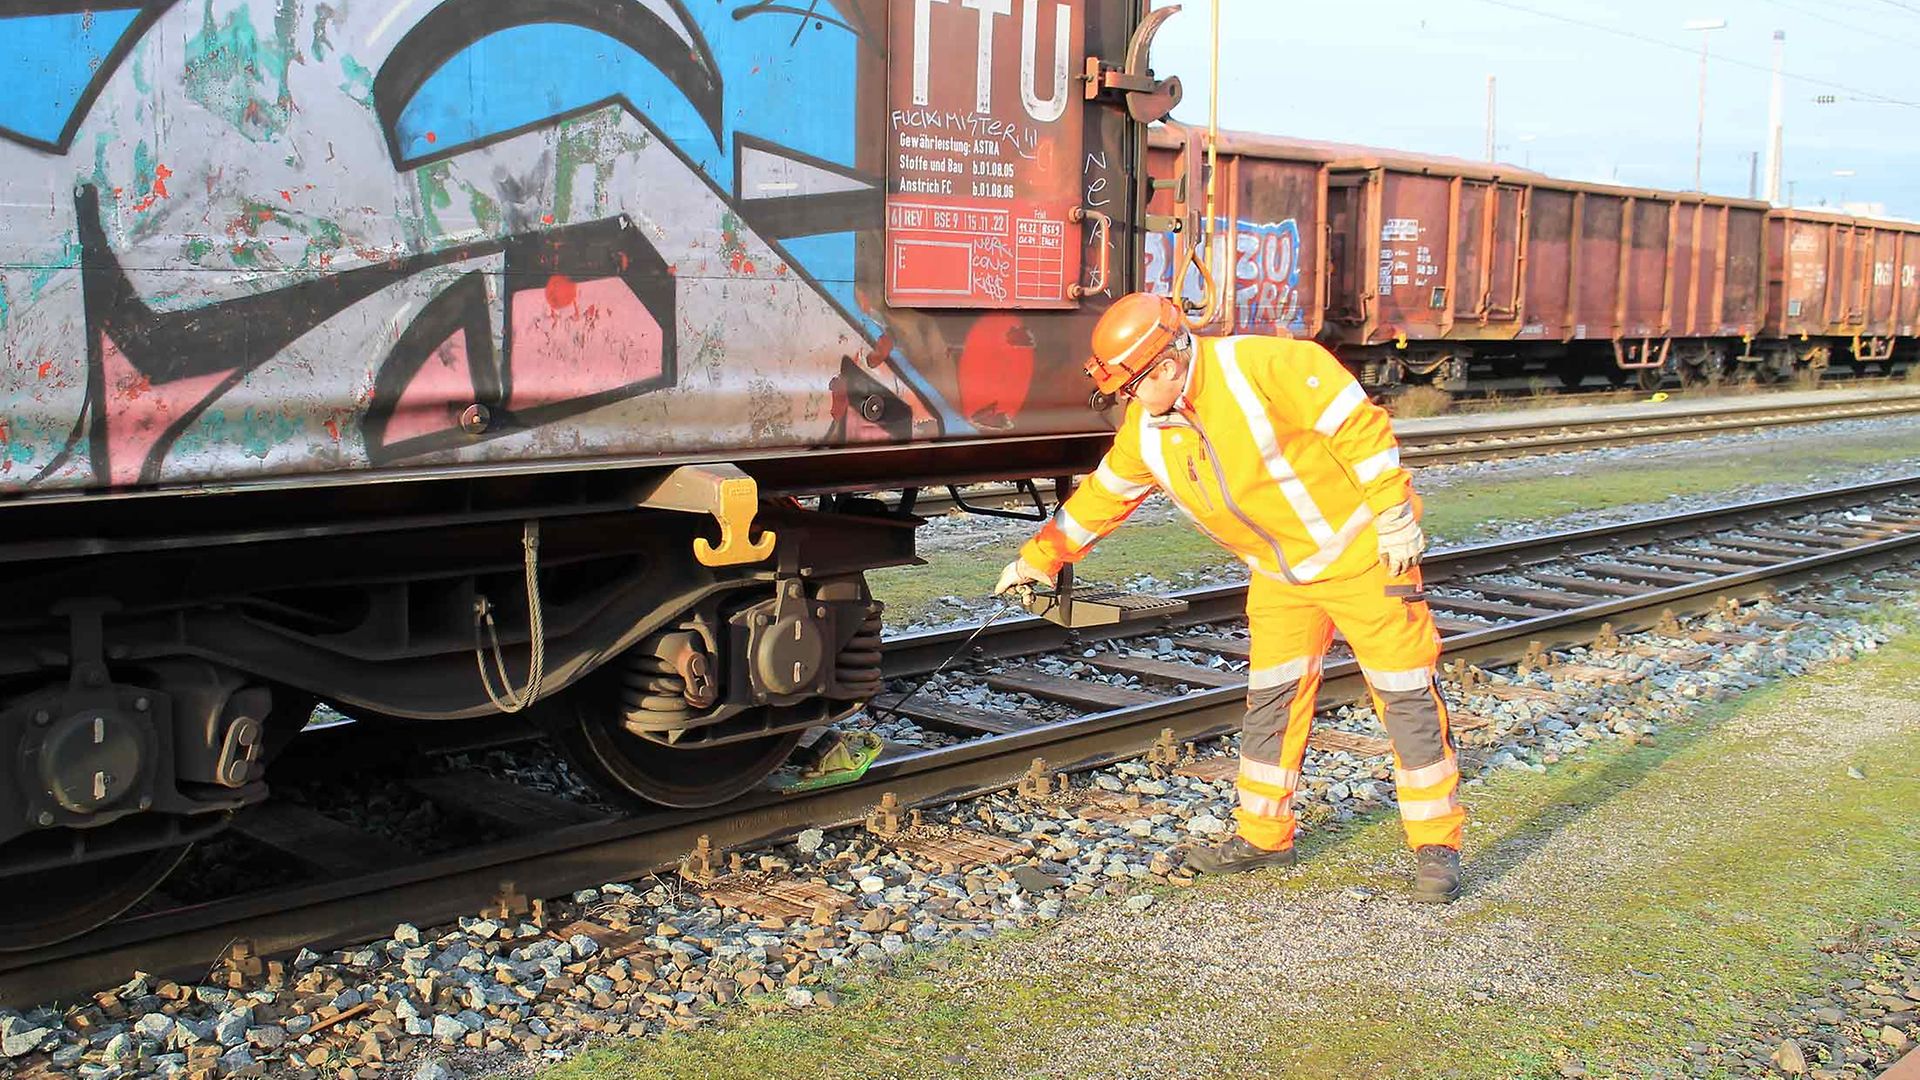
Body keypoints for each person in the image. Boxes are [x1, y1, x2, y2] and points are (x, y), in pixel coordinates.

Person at [995, 293, 1464, 903]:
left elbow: (1358, 426)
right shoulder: (1149, 428)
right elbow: (1103, 497)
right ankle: (1264, 837)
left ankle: (1437, 848)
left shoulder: (1264, 367)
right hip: (1279, 576)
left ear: (1164, 366)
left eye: (1132, 387)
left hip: (1366, 561)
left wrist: (1395, 515)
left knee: (1405, 700)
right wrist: (1038, 559)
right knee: (1271, 701)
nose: (1128, 402)